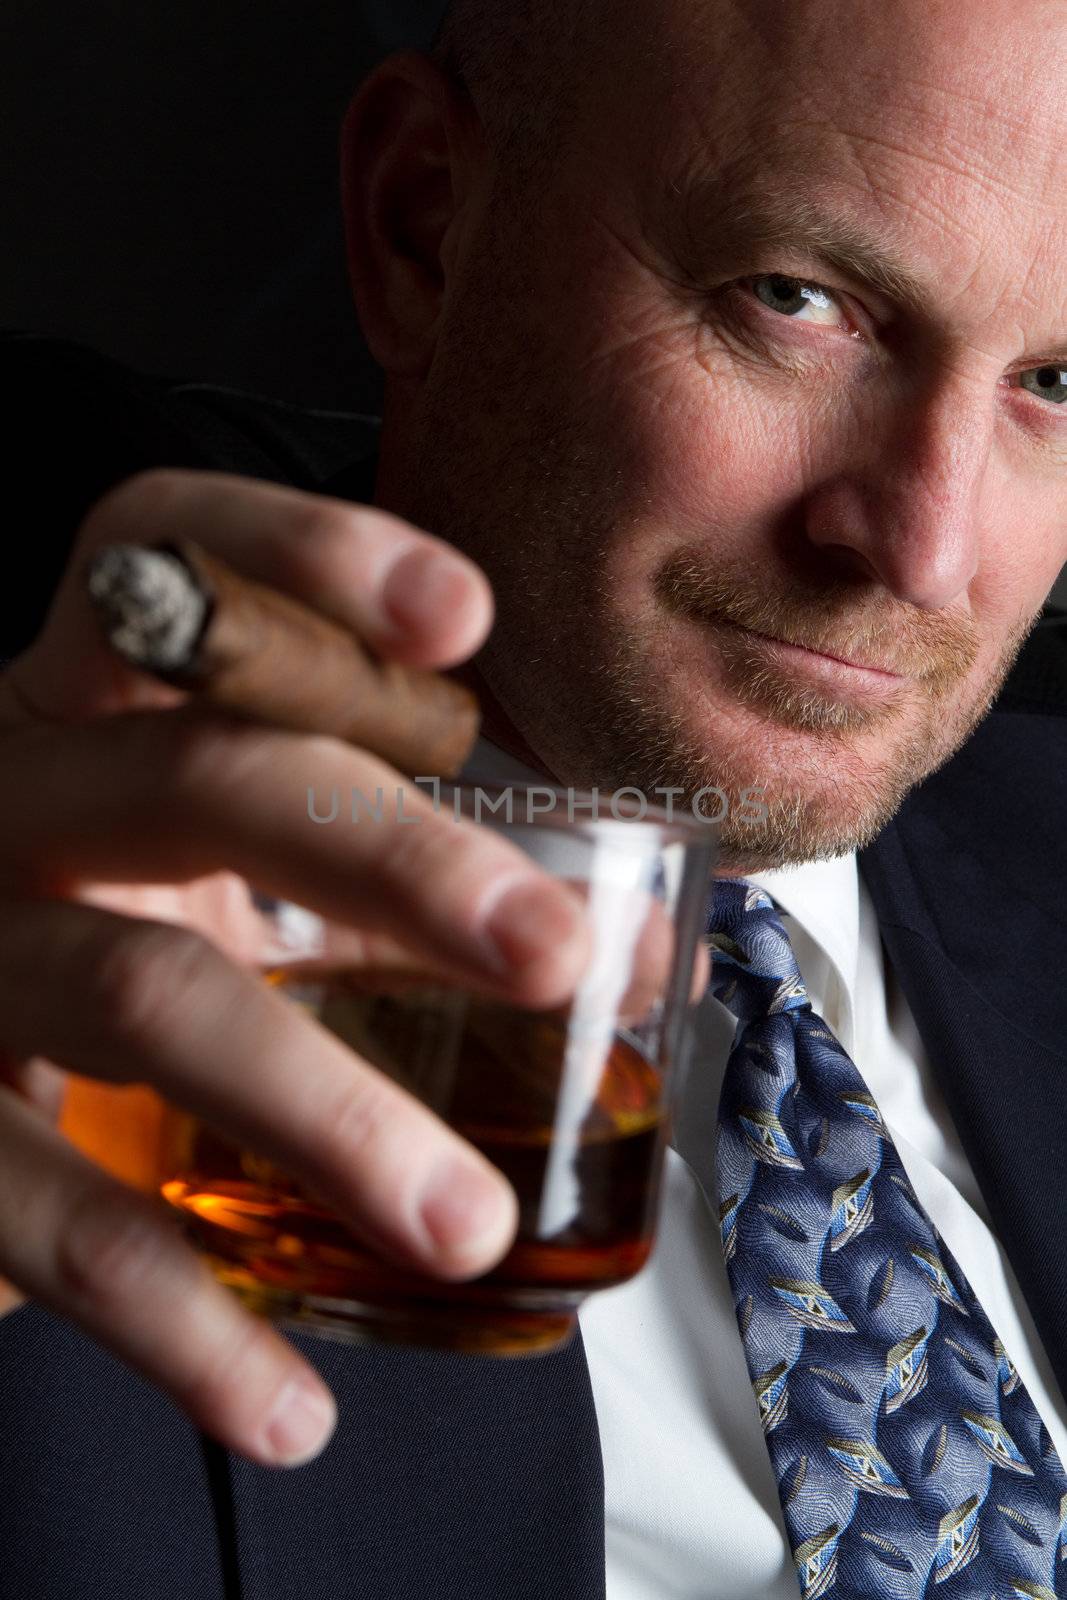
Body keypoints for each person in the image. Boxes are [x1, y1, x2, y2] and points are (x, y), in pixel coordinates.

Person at [1, 0, 1066, 1595]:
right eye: (799, 301)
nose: (922, 551)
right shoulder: (51, 999)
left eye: (1059, 380)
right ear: (422, 222)